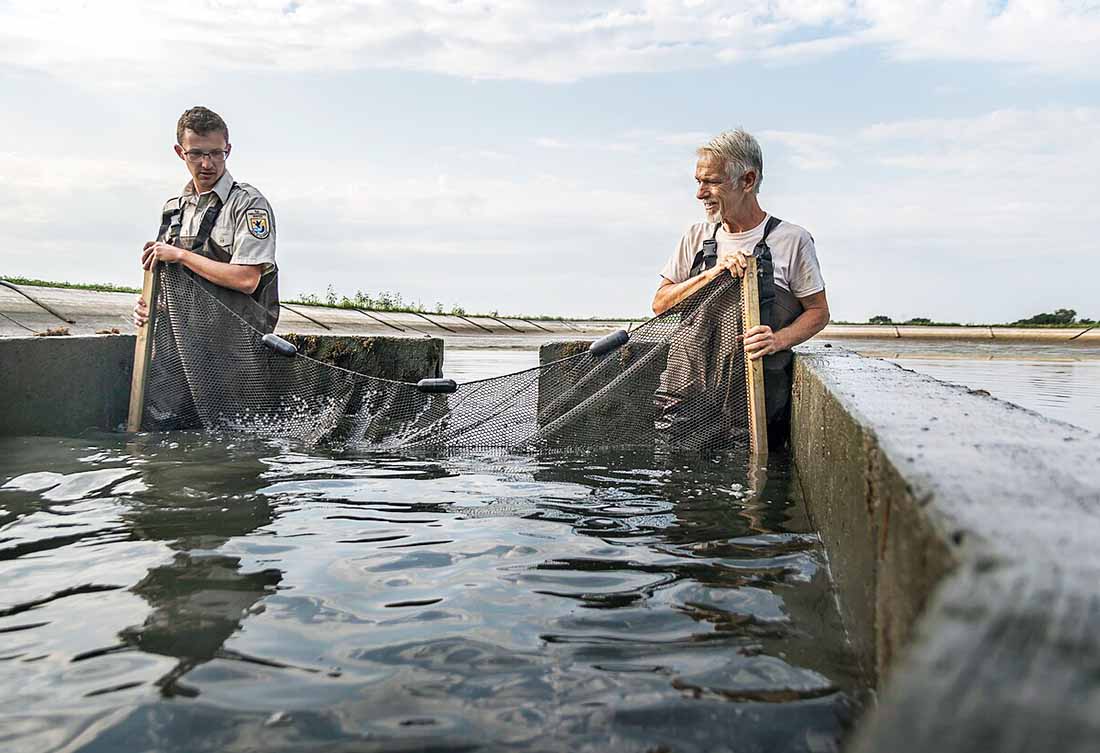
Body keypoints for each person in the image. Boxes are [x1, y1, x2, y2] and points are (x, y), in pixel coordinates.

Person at [652, 129, 830, 447]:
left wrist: (778, 339)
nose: (700, 193)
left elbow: (818, 312)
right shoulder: (695, 236)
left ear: (747, 181)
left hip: (751, 413)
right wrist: (713, 274)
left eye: (712, 182)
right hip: (685, 402)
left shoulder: (791, 239)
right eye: (698, 181)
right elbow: (660, 304)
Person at [133, 106, 279, 333]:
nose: (207, 164)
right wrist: (149, 306)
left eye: (216, 153)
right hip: (179, 346)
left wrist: (181, 255)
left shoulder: (248, 204)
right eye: (196, 154)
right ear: (180, 152)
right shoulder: (173, 210)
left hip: (234, 351)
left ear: (228, 149)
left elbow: (247, 280)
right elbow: (167, 286)